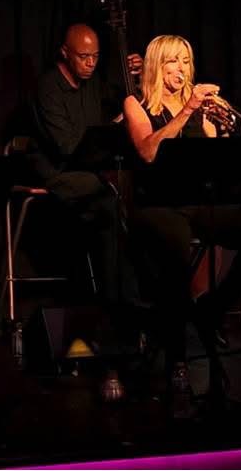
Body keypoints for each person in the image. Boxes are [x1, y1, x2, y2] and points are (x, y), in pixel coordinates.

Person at [122, 35, 241, 378]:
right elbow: (148, 151)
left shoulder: (202, 108)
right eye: (172, 61)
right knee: (177, 250)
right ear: (156, 65)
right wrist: (187, 110)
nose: (181, 69)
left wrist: (223, 132)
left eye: (186, 61)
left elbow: (216, 164)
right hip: (157, 204)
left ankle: (214, 307)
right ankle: (176, 357)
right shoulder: (136, 104)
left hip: (197, 201)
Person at [27, 23, 141, 304]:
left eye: (95, 57)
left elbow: (128, 101)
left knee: (113, 208)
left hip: (87, 174)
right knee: (110, 200)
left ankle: (120, 299)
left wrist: (137, 79)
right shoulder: (48, 87)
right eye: (83, 57)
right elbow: (66, 147)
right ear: (65, 52)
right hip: (57, 173)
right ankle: (119, 299)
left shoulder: (93, 83)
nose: (90, 63)